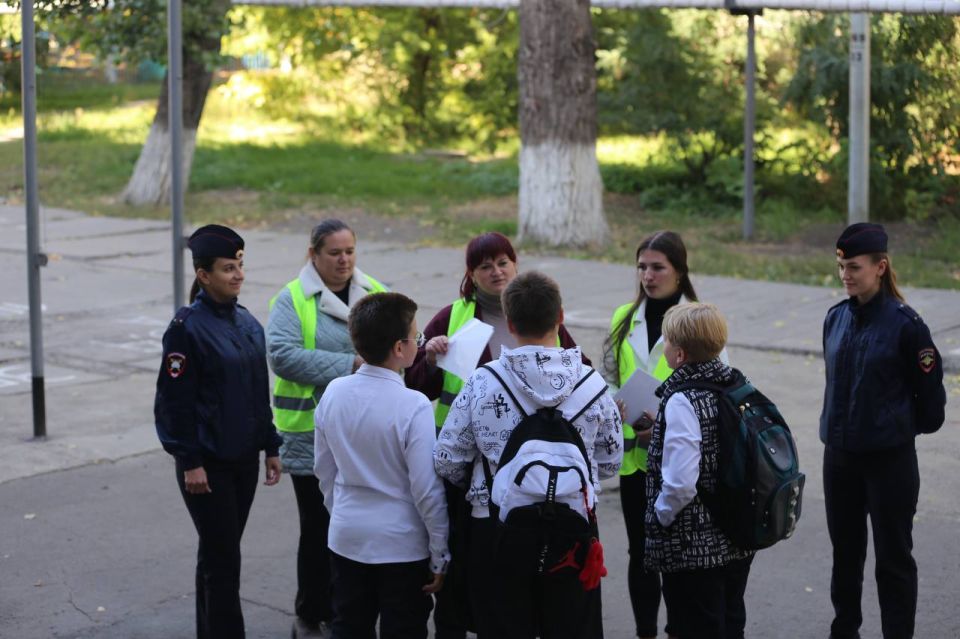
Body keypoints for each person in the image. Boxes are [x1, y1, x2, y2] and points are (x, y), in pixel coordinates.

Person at [405, 231, 590, 639]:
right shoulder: (450, 318)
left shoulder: (540, 312)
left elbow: (581, 370)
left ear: (516, 265)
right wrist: (432, 359)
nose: (496, 271)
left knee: (518, 575)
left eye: (503, 262)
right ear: (471, 274)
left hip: (534, 472)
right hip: (466, 467)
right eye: (485, 265)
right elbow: (416, 388)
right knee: (464, 565)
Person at [435, 271, 623, 639]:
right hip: (572, 527)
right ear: (561, 317)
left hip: (495, 525)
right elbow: (611, 460)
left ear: (509, 321)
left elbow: (446, 459)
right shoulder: (592, 384)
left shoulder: (483, 381)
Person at [154, 224, 283, 639]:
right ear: (204, 275)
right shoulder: (186, 328)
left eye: (240, 266)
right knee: (224, 560)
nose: (238, 275)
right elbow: (174, 403)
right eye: (228, 268)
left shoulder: (246, 323)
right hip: (207, 465)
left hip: (243, 460)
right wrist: (189, 461)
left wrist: (270, 445)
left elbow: (256, 392)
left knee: (216, 555)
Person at [821, 223, 946, 639]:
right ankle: (845, 631)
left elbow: (931, 408)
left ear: (880, 267)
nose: (845, 275)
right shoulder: (835, 318)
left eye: (854, 267)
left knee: (893, 560)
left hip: (888, 461)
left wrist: (890, 427)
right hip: (839, 458)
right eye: (840, 266)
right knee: (845, 556)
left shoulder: (907, 326)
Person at [265, 219, 386, 638]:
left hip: (360, 430)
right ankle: (311, 609)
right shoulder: (293, 298)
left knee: (353, 523)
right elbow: (282, 355)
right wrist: (348, 365)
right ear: (313, 254)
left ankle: (345, 609)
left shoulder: (374, 292)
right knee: (318, 526)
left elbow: (400, 342)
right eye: (334, 253)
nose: (344, 260)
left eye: (350, 251)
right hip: (307, 432)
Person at [313, 292, 450, 639]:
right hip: (401, 546)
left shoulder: (334, 392)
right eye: (416, 338)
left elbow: (324, 471)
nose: (419, 343)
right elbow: (426, 490)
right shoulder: (413, 405)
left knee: (348, 625)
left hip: (346, 537)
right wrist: (439, 553)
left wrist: (341, 512)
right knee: (403, 627)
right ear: (400, 348)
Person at [602, 230, 697, 639]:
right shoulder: (624, 316)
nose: (648, 275)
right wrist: (615, 410)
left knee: (677, 556)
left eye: (657, 267)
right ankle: (645, 632)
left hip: (678, 457)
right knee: (639, 554)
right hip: (634, 460)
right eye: (642, 266)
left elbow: (714, 386)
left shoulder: (698, 318)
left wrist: (665, 426)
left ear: (679, 271)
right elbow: (610, 378)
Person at [644, 302, 754, 639]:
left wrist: (660, 517)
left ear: (678, 354)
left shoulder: (682, 399)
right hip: (737, 534)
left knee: (693, 625)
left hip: (693, 545)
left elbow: (680, 483)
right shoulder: (737, 384)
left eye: (665, 341)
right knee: (730, 620)